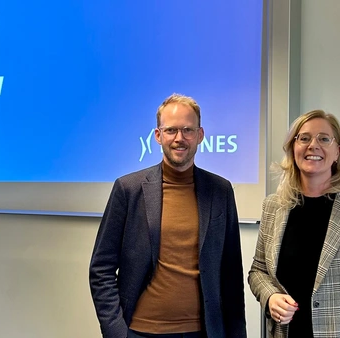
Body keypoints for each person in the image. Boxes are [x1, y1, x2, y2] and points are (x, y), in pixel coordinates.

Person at [89, 93, 247, 338]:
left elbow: (231, 275)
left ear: (200, 135)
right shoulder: (128, 189)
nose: (179, 138)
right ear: (158, 135)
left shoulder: (220, 190)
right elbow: (101, 268)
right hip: (141, 331)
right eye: (171, 130)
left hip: (204, 332)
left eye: (187, 130)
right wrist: (116, 332)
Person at [248, 110, 340, 337]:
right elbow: (258, 270)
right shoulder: (273, 206)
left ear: (338, 151)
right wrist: (270, 296)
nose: (313, 145)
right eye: (304, 138)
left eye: (324, 139)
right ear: (293, 149)